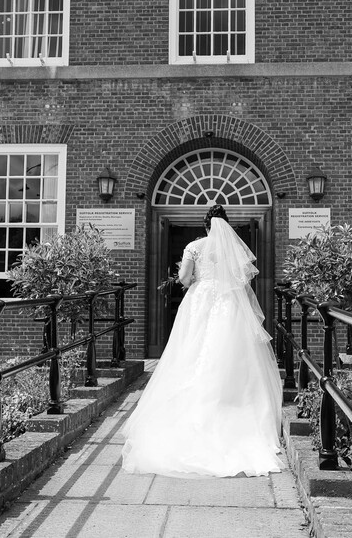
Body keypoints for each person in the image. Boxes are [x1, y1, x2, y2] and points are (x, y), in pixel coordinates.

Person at [121, 204, 284, 478]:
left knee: (192, 348)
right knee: (231, 350)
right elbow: (241, 280)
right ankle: (234, 405)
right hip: (229, 301)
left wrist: (192, 278)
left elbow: (184, 278)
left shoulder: (194, 246)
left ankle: (194, 406)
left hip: (201, 299)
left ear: (206, 225)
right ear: (225, 226)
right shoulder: (233, 248)